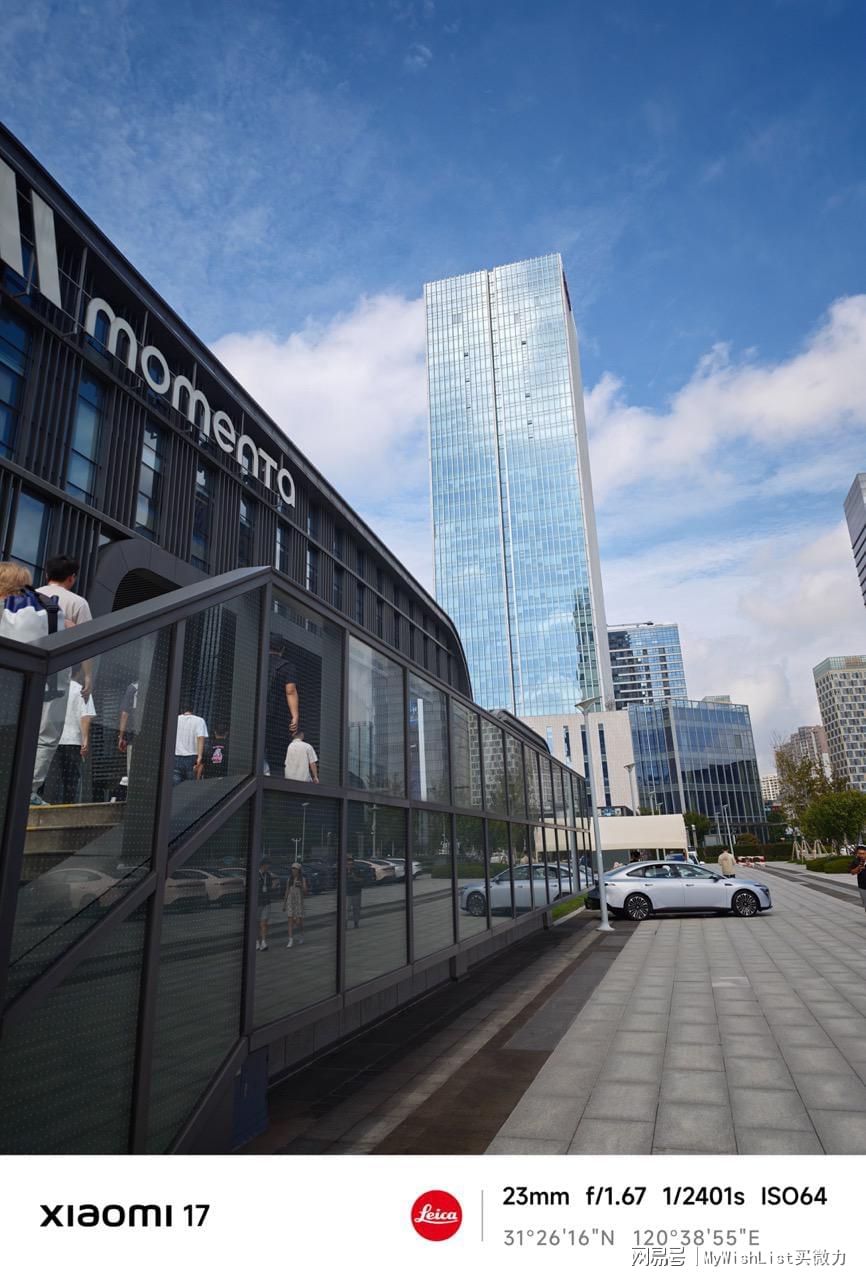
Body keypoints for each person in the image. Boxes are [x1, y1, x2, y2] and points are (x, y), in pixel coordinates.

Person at [45, 667, 96, 804]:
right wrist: (85, 740)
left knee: (52, 778)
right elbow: (85, 717)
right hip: (73, 742)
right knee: (71, 780)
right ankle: (68, 807)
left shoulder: (55, 689)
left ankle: (49, 806)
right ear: (79, 672)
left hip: (54, 740)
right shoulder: (82, 690)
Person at [264, 634, 299, 775]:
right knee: (277, 757)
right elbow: (290, 691)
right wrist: (295, 716)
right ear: (282, 649)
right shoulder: (288, 667)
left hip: (257, 714)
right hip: (277, 717)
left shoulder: (258, 661)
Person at [173, 706, 208, 784]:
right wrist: (200, 757)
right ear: (193, 710)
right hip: (192, 757)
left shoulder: (175, 719)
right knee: (190, 786)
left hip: (176, 756)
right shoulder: (199, 720)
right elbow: (200, 738)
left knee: (176, 786)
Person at [282, 862, 307, 948]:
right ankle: (290, 939)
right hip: (290, 901)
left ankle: (302, 934)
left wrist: (301, 886)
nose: (293, 870)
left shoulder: (302, 879)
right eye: (292, 868)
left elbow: (305, 892)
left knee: (298, 922)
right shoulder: (289, 879)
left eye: (295, 869)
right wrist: (284, 903)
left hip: (299, 902)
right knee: (290, 921)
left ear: (299, 870)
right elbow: (286, 891)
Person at [256, 857, 277, 950]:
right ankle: (257, 941)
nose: (268, 866)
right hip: (257, 903)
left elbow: (270, 887)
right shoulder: (256, 875)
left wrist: (274, 885)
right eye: (267, 864)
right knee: (257, 923)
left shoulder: (268, 875)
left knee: (264, 923)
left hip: (266, 902)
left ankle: (263, 942)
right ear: (262, 865)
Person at [847, 844, 866, 913]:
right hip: (863, 886)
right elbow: (852, 872)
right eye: (859, 853)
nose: (861, 855)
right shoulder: (856, 861)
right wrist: (859, 867)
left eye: (863, 853)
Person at [345, 855, 363, 928]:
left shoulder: (357, 871)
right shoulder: (343, 872)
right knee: (346, 909)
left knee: (356, 909)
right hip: (347, 893)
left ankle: (356, 923)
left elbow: (361, 880)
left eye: (351, 864)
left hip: (356, 892)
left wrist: (354, 877)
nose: (350, 866)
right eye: (348, 864)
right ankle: (345, 924)